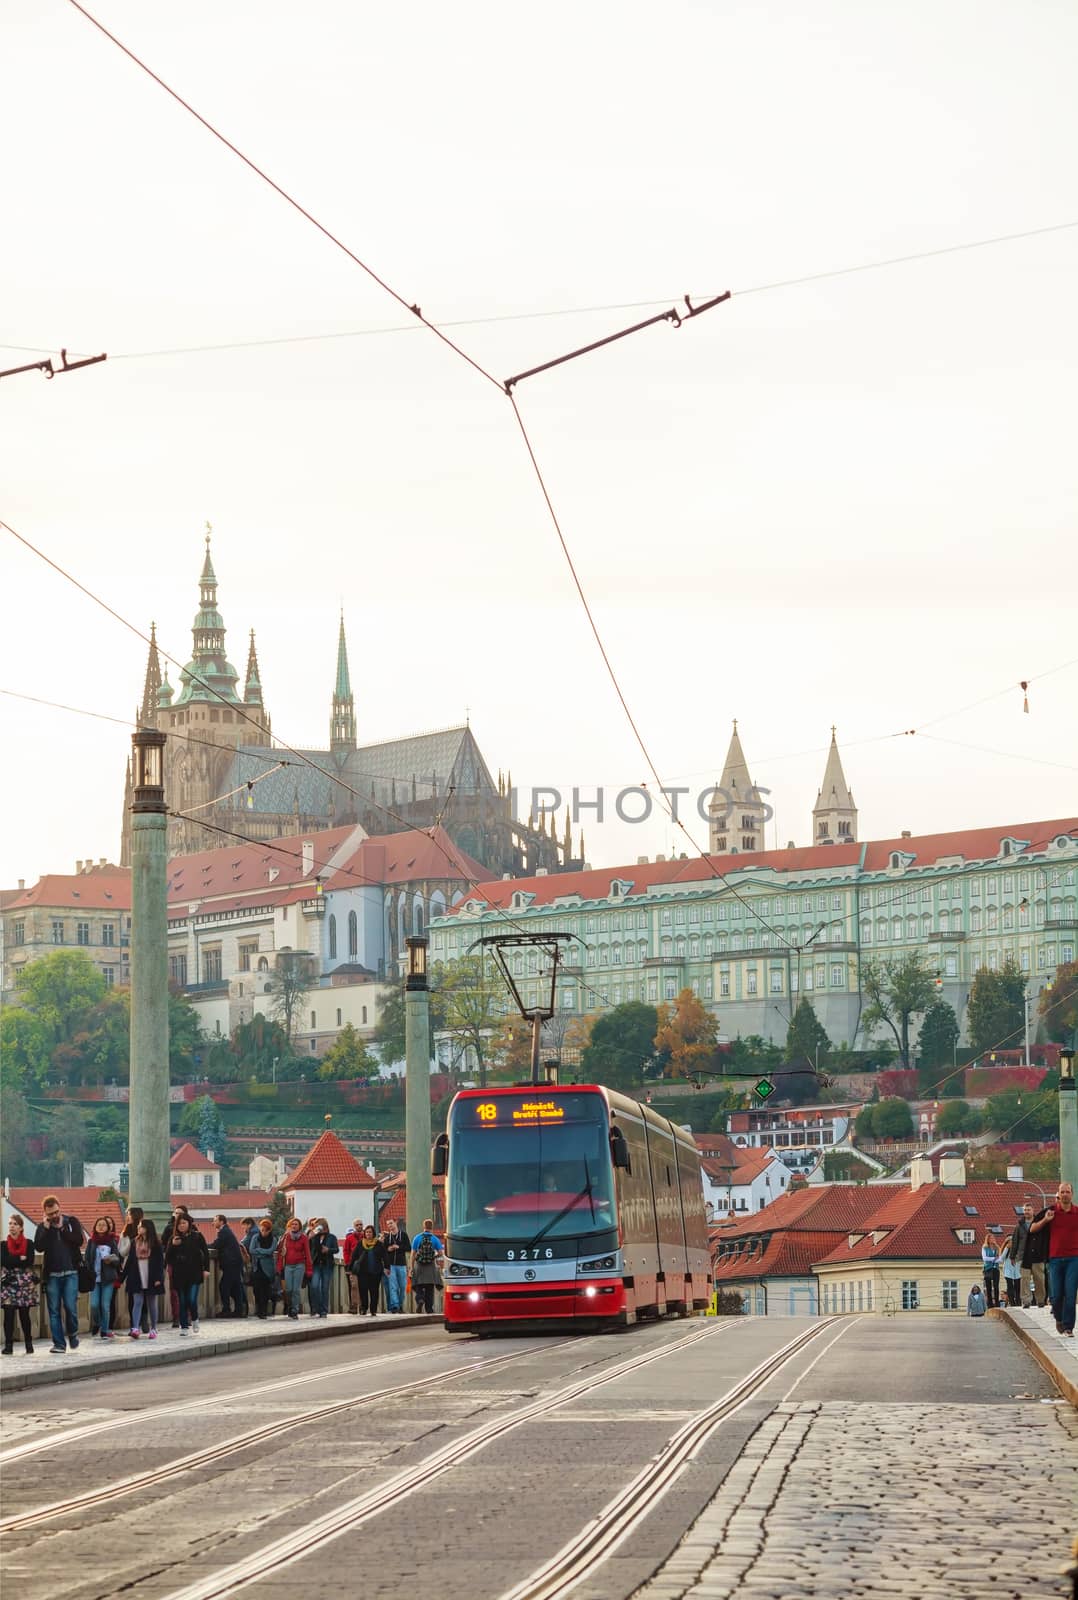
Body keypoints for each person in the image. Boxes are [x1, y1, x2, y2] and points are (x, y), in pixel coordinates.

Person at [34, 1195, 85, 1354]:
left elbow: (79, 1241)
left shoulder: (71, 1222)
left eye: (56, 1212)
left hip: (71, 1272)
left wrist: (62, 1229)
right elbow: (39, 1247)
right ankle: (59, 1344)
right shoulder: (42, 1228)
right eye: (50, 1214)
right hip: (52, 1275)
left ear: (59, 1208)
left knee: (70, 1307)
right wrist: (47, 1230)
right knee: (54, 1311)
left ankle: (73, 1333)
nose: (54, 1216)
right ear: (45, 1213)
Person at [1030, 1181, 1078, 1337]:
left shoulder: (1077, 1212)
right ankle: (1059, 1318)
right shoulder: (1050, 1212)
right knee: (1056, 1295)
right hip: (1055, 1259)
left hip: (1073, 1259)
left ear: (1072, 1194)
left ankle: (1069, 1327)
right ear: (1058, 1194)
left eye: (1067, 1192)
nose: (1065, 1194)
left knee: (1070, 1294)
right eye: (1062, 1192)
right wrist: (1046, 1220)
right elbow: (1032, 1229)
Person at [165, 1215, 210, 1335]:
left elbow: (205, 1253)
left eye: (184, 1223)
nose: (182, 1226)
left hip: (194, 1272)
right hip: (179, 1274)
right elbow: (168, 1258)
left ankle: (195, 1319)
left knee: (191, 1299)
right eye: (179, 1224)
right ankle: (184, 1326)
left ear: (189, 1224)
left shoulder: (197, 1236)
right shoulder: (173, 1238)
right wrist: (173, 1246)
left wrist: (206, 1269)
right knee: (182, 1301)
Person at [122, 1219, 163, 1340]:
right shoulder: (135, 1241)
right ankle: (135, 1327)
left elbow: (160, 1262)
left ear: (148, 1228)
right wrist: (122, 1277)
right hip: (137, 1274)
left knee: (151, 1303)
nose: (139, 1228)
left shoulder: (156, 1243)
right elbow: (129, 1261)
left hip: (151, 1275)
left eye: (141, 1226)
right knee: (137, 1301)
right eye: (139, 1226)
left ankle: (154, 1328)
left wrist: (159, 1278)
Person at [1, 1214, 36, 1355]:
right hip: (8, 1281)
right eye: (10, 1224)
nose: (12, 1226)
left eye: (15, 1224)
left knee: (24, 1314)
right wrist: (18, 1258)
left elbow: (29, 1261)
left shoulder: (29, 1243)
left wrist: (13, 1260)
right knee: (8, 1313)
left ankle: (29, 1343)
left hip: (24, 1282)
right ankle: (8, 1345)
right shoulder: (3, 1245)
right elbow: (4, 1261)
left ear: (21, 1227)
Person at [85, 1217, 122, 1340]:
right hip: (94, 1278)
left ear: (108, 1228)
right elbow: (87, 1259)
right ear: (95, 1227)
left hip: (108, 1278)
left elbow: (117, 1259)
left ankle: (105, 1331)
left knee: (105, 1306)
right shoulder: (91, 1242)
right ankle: (97, 1323)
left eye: (104, 1225)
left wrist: (110, 1260)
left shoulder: (111, 1241)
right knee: (94, 1305)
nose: (101, 1227)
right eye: (99, 1224)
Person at [162, 1205, 193, 1329]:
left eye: (179, 1213)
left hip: (188, 1265)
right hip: (174, 1265)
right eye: (175, 1213)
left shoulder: (192, 1230)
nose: (177, 1215)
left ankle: (188, 1316)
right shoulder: (169, 1228)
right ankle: (176, 1317)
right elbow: (164, 1246)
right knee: (174, 1292)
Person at [277, 1217, 313, 1320]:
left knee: (296, 1289)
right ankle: (290, 1306)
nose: (294, 1226)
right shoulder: (285, 1237)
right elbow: (280, 1253)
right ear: (289, 1226)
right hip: (288, 1265)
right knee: (288, 1289)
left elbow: (307, 1254)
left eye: (296, 1224)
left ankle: (295, 1310)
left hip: (299, 1265)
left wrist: (309, 1269)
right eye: (292, 1224)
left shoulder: (303, 1238)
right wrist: (279, 1267)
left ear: (299, 1226)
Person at [213, 1216, 247, 1317]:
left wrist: (203, 1246)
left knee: (224, 1286)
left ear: (221, 1221)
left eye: (215, 1221)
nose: (213, 1223)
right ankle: (239, 1310)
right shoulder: (227, 1231)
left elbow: (216, 1245)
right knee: (235, 1287)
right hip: (235, 1263)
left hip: (231, 1263)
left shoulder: (224, 1232)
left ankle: (226, 1310)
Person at [349, 1225, 387, 1317]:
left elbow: (385, 1256)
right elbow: (354, 1256)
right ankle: (364, 1308)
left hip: (376, 1272)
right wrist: (350, 1269)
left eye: (370, 1232)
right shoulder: (360, 1243)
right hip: (363, 1272)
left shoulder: (378, 1244)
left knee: (374, 1291)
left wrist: (387, 1267)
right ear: (364, 1234)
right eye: (367, 1232)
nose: (368, 1234)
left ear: (373, 1233)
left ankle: (373, 1309)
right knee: (363, 1290)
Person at [1020, 1198, 1050, 1308]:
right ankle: (1026, 1300)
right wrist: (1014, 1255)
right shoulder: (1020, 1224)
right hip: (1025, 1256)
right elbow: (1015, 1240)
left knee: (1039, 1279)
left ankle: (1040, 1300)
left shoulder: (1040, 1224)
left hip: (1038, 1255)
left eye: (1028, 1209)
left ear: (1033, 1211)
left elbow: (1046, 1240)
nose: (1026, 1212)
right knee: (1025, 1279)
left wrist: (1045, 1254)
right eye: (1025, 1210)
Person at [410, 1219, 444, 1315]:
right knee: (429, 1289)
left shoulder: (417, 1238)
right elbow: (441, 1253)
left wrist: (411, 1268)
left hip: (419, 1266)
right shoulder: (435, 1239)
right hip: (430, 1266)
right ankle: (429, 1308)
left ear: (423, 1226)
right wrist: (434, 1256)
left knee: (418, 1286)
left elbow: (413, 1254)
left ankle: (420, 1299)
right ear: (432, 1227)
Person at [249, 1218, 279, 1319]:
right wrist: (263, 1252)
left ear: (269, 1230)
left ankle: (264, 1311)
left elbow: (271, 1251)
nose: (263, 1232)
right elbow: (252, 1250)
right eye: (262, 1229)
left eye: (265, 1230)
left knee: (265, 1291)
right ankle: (258, 1309)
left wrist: (259, 1251)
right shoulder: (255, 1237)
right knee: (257, 1290)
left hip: (268, 1269)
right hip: (257, 1268)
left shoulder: (273, 1239)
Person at [308, 1219, 338, 1319]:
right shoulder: (314, 1237)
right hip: (316, 1264)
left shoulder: (331, 1237)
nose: (319, 1228)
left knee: (325, 1288)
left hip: (327, 1265)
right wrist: (310, 1237)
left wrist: (328, 1250)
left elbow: (336, 1249)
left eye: (321, 1226)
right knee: (315, 1286)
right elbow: (309, 1248)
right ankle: (316, 1308)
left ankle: (323, 1311)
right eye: (317, 1227)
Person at [383, 1221, 410, 1314]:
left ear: (395, 1223)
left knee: (403, 1286)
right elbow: (384, 1252)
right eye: (388, 1224)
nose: (390, 1225)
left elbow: (408, 1248)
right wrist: (388, 1249)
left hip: (401, 1264)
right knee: (393, 1286)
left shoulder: (403, 1235)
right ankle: (395, 1306)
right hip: (391, 1265)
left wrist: (399, 1247)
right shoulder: (387, 1238)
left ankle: (400, 1304)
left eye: (391, 1223)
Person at [342, 1218, 364, 1314]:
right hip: (353, 1265)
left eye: (360, 1224)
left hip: (364, 1265)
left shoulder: (366, 1237)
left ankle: (363, 1305)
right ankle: (354, 1306)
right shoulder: (350, 1238)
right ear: (354, 1227)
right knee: (353, 1286)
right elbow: (346, 1251)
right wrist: (348, 1263)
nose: (359, 1226)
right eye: (357, 1225)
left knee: (363, 1286)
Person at [981, 1233, 1001, 1309]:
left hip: (996, 1268)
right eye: (991, 1238)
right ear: (988, 1240)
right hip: (988, 1268)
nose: (992, 1239)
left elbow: (1000, 1259)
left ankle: (997, 1302)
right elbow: (984, 1258)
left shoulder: (997, 1247)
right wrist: (994, 1259)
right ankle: (990, 1304)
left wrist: (995, 1259)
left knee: (996, 1286)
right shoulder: (984, 1248)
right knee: (988, 1287)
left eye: (993, 1238)